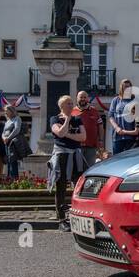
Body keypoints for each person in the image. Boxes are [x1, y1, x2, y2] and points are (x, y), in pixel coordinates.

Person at [48, 95, 85, 230]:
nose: (71, 105)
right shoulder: (54, 119)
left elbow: (83, 136)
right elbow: (59, 132)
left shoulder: (78, 119)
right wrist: (67, 120)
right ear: (61, 106)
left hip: (75, 154)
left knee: (78, 184)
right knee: (61, 186)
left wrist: (67, 135)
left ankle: (78, 215)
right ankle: (61, 219)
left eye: (71, 103)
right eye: (68, 104)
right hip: (61, 154)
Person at [72, 92, 103, 168]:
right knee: (78, 168)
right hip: (77, 146)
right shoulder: (72, 112)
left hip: (91, 145)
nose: (83, 99)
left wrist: (101, 140)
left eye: (85, 97)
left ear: (88, 98)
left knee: (89, 168)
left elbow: (100, 126)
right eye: (81, 97)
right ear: (77, 98)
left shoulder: (94, 111)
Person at [108, 80, 139, 155]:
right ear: (121, 88)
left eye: (129, 87)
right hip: (117, 136)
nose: (127, 88)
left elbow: (138, 118)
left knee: (130, 160)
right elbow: (111, 116)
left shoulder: (135, 100)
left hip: (130, 137)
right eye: (125, 87)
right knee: (117, 160)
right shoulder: (115, 100)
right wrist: (116, 128)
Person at [1, 104, 25, 179]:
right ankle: (9, 178)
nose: (5, 113)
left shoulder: (17, 118)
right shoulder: (7, 121)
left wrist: (8, 137)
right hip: (6, 143)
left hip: (13, 143)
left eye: (6, 111)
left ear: (11, 111)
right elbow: (3, 132)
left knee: (13, 161)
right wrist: (4, 138)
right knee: (8, 161)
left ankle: (14, 179)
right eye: (4, 111)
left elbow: (16, 129)